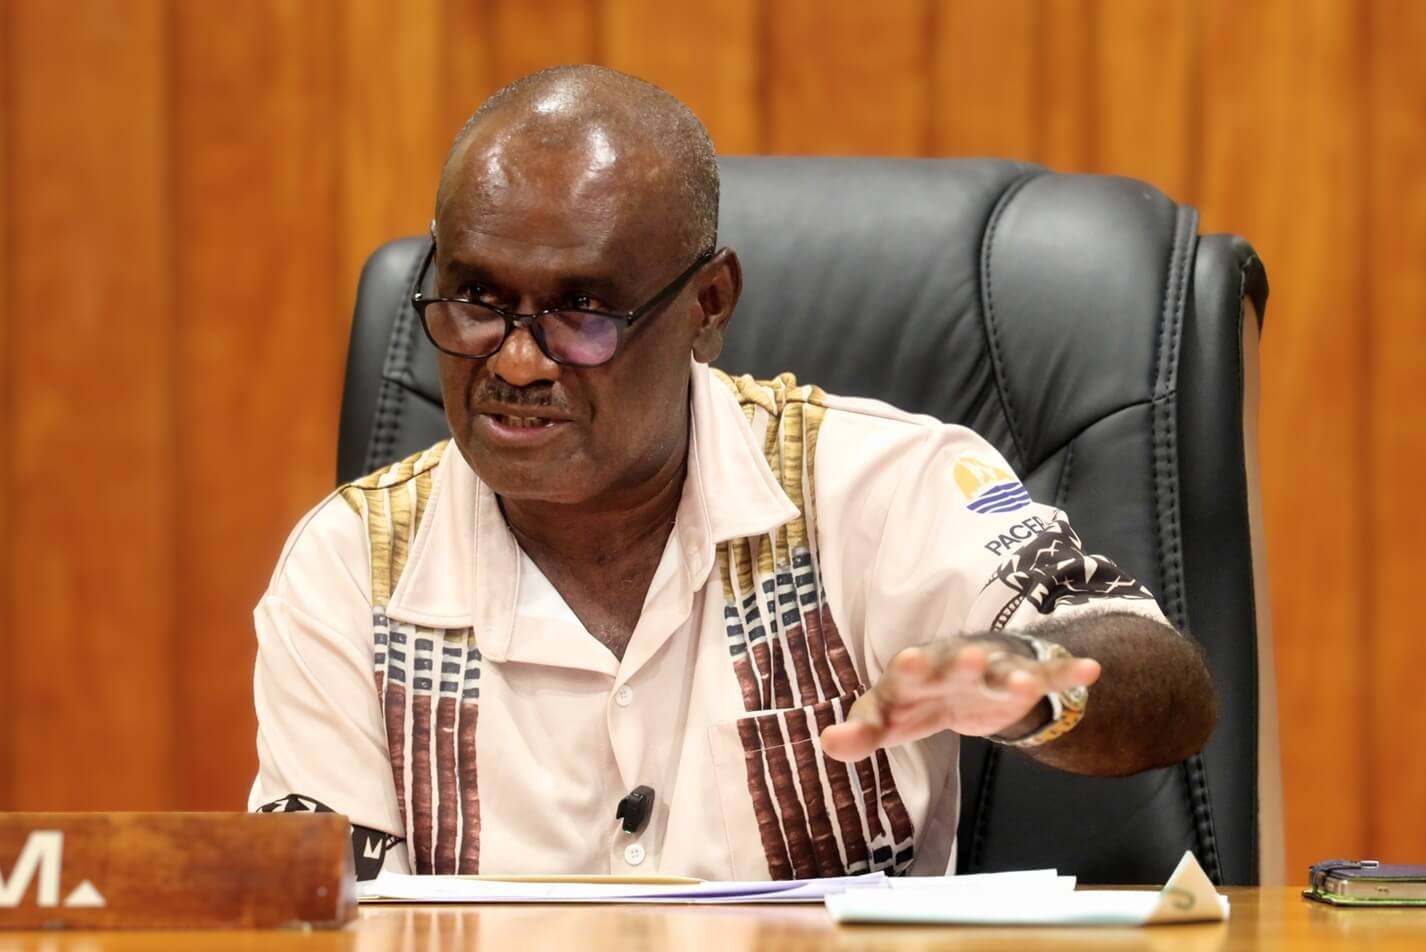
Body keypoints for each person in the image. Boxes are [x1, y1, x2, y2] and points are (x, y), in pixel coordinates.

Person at [248, 65, 1215, 881]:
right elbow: (318, 917)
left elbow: (1163, 689)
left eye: (580, 310)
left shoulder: (877, 488)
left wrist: (1038, 682)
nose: (513, 361)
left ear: (709, 305)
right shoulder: (349, 567)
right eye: (475, 299)